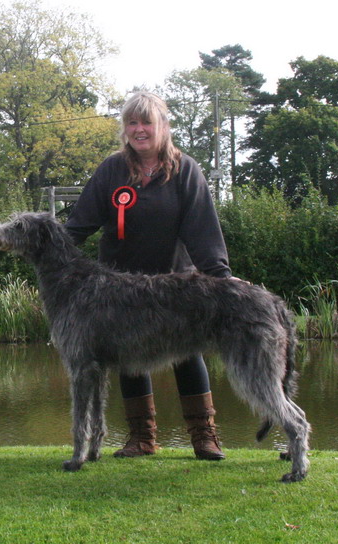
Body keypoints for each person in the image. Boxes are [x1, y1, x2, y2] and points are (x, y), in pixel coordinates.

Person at [65, 91, 234, 461]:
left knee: (188, 355)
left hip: (176, 284)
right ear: (125, 129)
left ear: (164, 126)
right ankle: (142, 438)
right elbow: (79, 225)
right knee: (127, 357)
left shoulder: (185, 169)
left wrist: (221, 279)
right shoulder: (112, 169)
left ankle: (204, 436)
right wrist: (42, 244)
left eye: (147, 122)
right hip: (120, 287)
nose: (139, 130)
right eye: (132, 122)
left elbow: (203, 230)